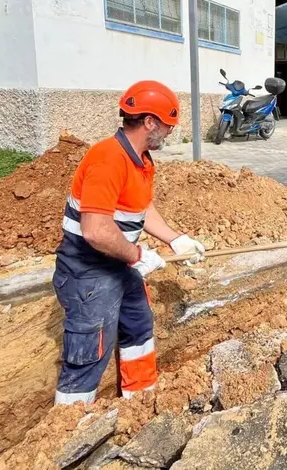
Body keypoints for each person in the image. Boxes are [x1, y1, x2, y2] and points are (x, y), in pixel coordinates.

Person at [52, 80, 206, 406]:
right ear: (149, 121)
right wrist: (137, 255)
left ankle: (139, 402)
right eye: (167, 126)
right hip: (88, 272)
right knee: (89, 353)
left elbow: (141, 208)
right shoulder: (109, 159)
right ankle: (69, 432)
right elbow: (95, 230)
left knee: (137, 326)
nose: (168, 133)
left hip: (118, 264)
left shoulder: (141, 159)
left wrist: (176, 239)